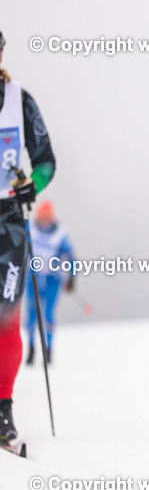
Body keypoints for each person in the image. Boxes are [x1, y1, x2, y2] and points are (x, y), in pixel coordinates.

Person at [0, 29, 58, 448]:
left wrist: (30, 186)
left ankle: (3, 409)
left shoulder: (19, 101)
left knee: (6, 319)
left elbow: (45, 162)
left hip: (8, 222)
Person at [24, 200, 74, 364]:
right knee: (31, 316)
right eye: (41, 217)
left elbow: (70, 256)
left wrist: (72, 277)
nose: (43, 221)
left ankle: (48, 350)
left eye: (47, 217)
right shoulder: (30, 230)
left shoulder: (60, 234)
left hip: (53, 280)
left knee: (48, 315)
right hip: (34, 279)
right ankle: (31, 348)